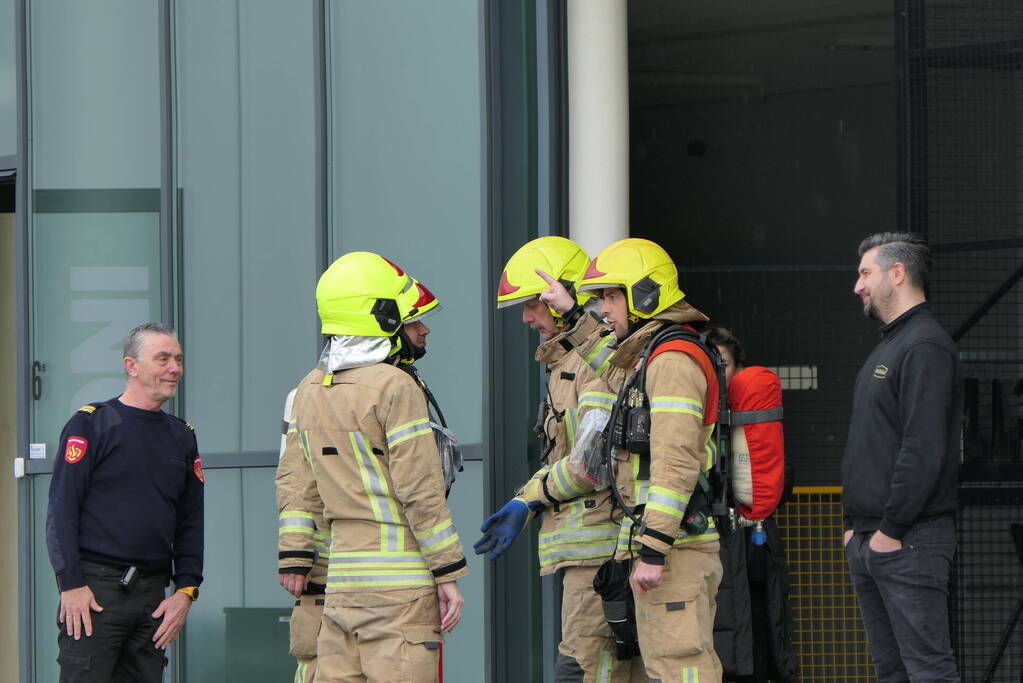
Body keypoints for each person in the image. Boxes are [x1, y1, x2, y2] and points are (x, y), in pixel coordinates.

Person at [539, 238, 724, 681]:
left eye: (610, 296)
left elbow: (675, 465)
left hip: (675, 548)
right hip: (662, 544)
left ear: (643, 295)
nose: (605, 308)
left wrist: (655, 549)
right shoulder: (649, 356)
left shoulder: (673, 360)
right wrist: (571, 314)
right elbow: (610, 361)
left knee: (680, 670)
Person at [289, 252, 468, 683]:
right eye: (412, 321)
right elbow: (419, 489)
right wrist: (448, 572)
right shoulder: (395, 385)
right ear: (384, 319)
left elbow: (297, 483)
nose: (423, 329)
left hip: (341, 587)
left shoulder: (309, 390)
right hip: (400, 590)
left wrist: (295, 555)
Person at [475, 236, 645, 682]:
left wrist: (528, 499)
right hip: (593, 556)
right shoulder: (566, 365)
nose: (528, 317)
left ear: (563, 295)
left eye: (533, 304)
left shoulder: (591, 363)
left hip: (601, 557)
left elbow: (591, 462)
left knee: (583, 670)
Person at [46, 322, 204, 683]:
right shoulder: (92, 424)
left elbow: (191, 522)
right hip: (94, 595)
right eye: (162, 358)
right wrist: (70, 584)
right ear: (131, 366)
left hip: (153, 598)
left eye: (178, 359)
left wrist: (185, 591)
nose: (174, 368)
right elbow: (62, 509)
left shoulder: (182, 436)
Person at [842, 232, 962, 682]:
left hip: (909, 539)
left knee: (928, 671)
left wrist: (890, 531)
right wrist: (855, 528)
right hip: (876, 538)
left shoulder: (925, 346)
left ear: (898, 273)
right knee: (891, 671)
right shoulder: (890, 347)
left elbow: (923, 449)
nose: (858, 285)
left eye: (865, 273)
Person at [706, 327, 798, 683]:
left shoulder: (757, 415)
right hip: (718, 551)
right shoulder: (693, 416)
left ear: (738, 368)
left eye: (724, 364)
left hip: (756, 549)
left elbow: (782, 480)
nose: (718, 372)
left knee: (762, 631)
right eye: (711, 362)